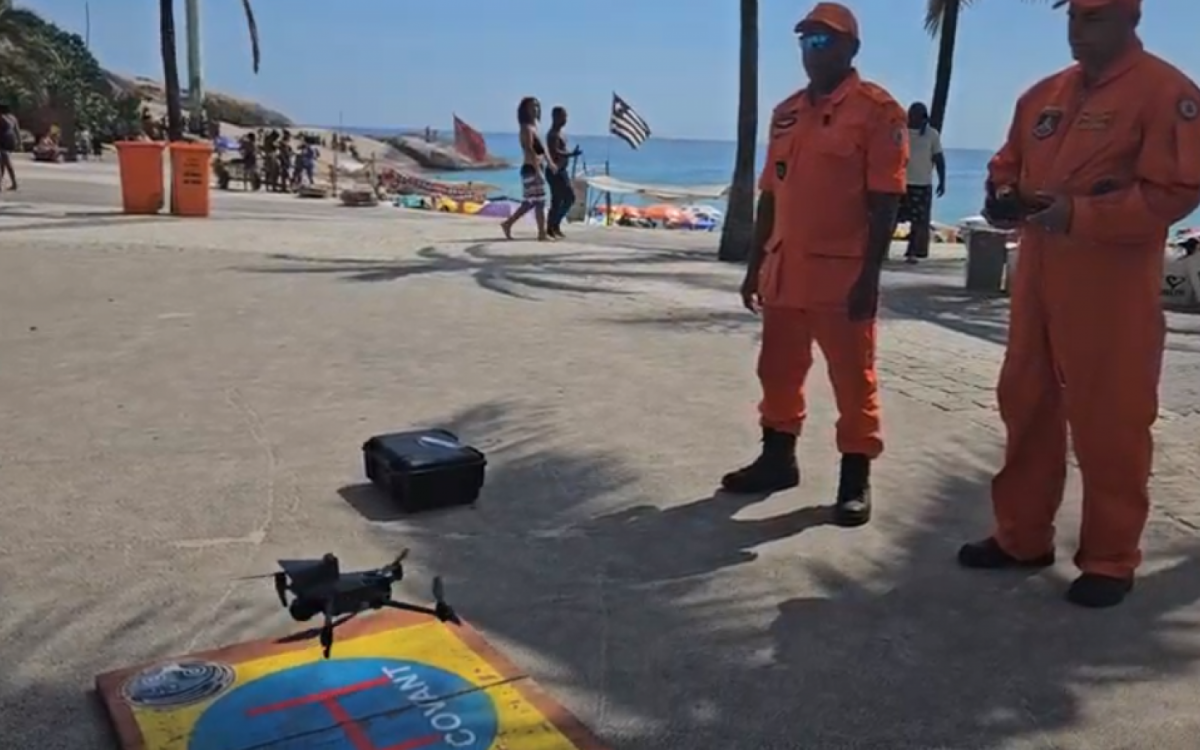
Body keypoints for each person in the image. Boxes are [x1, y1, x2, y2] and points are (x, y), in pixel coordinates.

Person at [958, 0, 1200, 608]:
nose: (1077, 32)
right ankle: (1020, 538)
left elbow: (1175, 190)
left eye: (1092, 19)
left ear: (1129, 21)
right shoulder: (1043, 95)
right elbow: (1007, 161)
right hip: (1038, 274)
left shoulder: (1166, 93)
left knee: (1111, 419)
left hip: (1111, 283)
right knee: (1027, 402)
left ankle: (1111, 558)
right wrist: (1000, 194)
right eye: (1072, 19)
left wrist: (1083, 214)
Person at [721, 1, 908, 528]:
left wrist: (870, 277)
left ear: (851, 49)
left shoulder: (878, 112)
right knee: (777, 372)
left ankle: (854, 479)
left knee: (853, 380)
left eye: (823, 41)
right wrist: (754, 264)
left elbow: (885, 202)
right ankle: (777, 459)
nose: (812, 51)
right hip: (786, 271)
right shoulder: (786, 112)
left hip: (842, 275)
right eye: (805, 41)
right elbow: (770, 197)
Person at [501, 97, 555, 241]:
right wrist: (538, 170)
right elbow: (529, 149)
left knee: (531, 202)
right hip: (531, 168)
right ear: (525, 110)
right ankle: (541, 234)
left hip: (537, 167)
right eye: (532, 107)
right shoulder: (525, 128)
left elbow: (542, 150)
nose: (535, 109)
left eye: (537, 106)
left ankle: (508, 224)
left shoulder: (534, 127)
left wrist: (549, 163)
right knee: (539, 202)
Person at [899, 102, 945, 263]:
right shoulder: (901, 132)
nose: (914, 118)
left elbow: (938, 159)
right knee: (892, 219)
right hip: (900, 182)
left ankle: (911, 252)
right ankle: (882, 251)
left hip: (922, 183)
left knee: (917, 222)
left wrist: (942, 181)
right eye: (912, 115)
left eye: (918, 115)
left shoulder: (931, 135)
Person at [545, 106, 582, 238]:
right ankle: (551, 225)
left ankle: (554, 225)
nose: (565, 119)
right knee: (564, 198)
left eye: (566, 117)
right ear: (555, 117)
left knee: (563, 199)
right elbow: (554, 151)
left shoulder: (561, 133)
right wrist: (571, 154)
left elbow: (562, 150)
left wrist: (571, 153)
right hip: (555, 171)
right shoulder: (552, 134)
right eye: (563, 116)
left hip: (562, 170)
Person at [0, 103, 21, 191]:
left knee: (5, 163)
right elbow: (17, 130)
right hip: (10, 140)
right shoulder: (13, 118)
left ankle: (13, 184)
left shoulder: (1, 117)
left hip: (2, 140)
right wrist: (19, 142)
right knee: (3, 163)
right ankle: (13, 183)